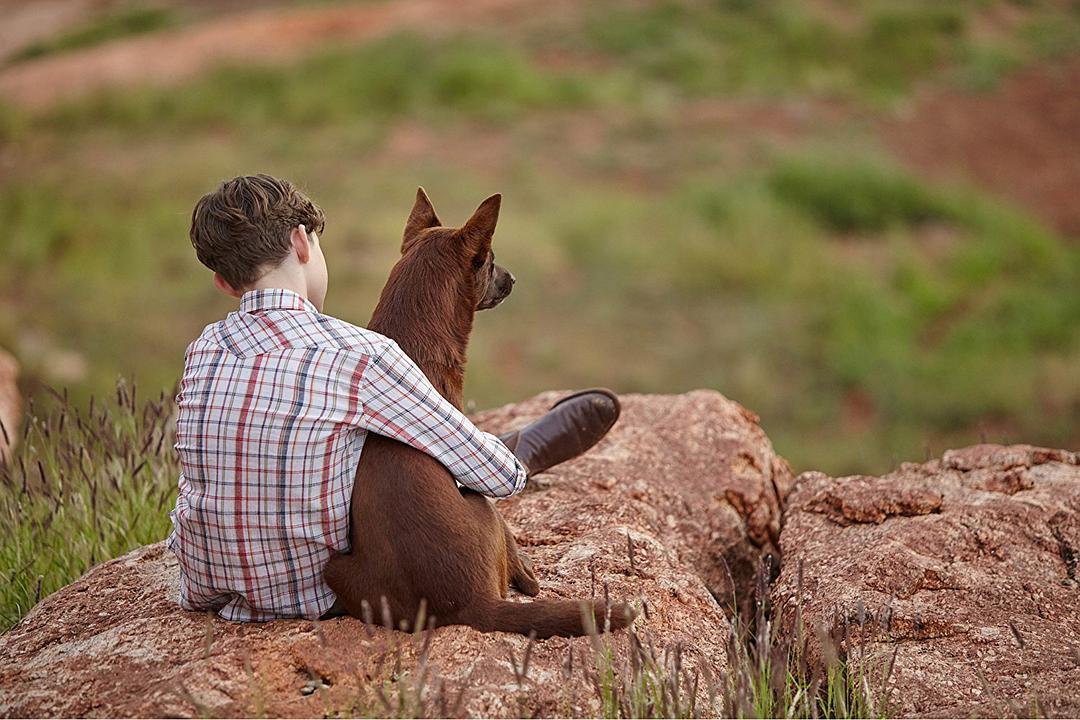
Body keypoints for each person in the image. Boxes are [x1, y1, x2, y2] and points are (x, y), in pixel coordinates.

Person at [166, 174, 620, 622]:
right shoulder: (359, 354)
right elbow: (498, 479)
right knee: (450, 454)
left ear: (223, 283)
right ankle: (517, 446)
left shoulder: (202, 351)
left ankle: (462, 441)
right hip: (308, 592)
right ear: (302, 243)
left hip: (206, 586)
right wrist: (492, 464)